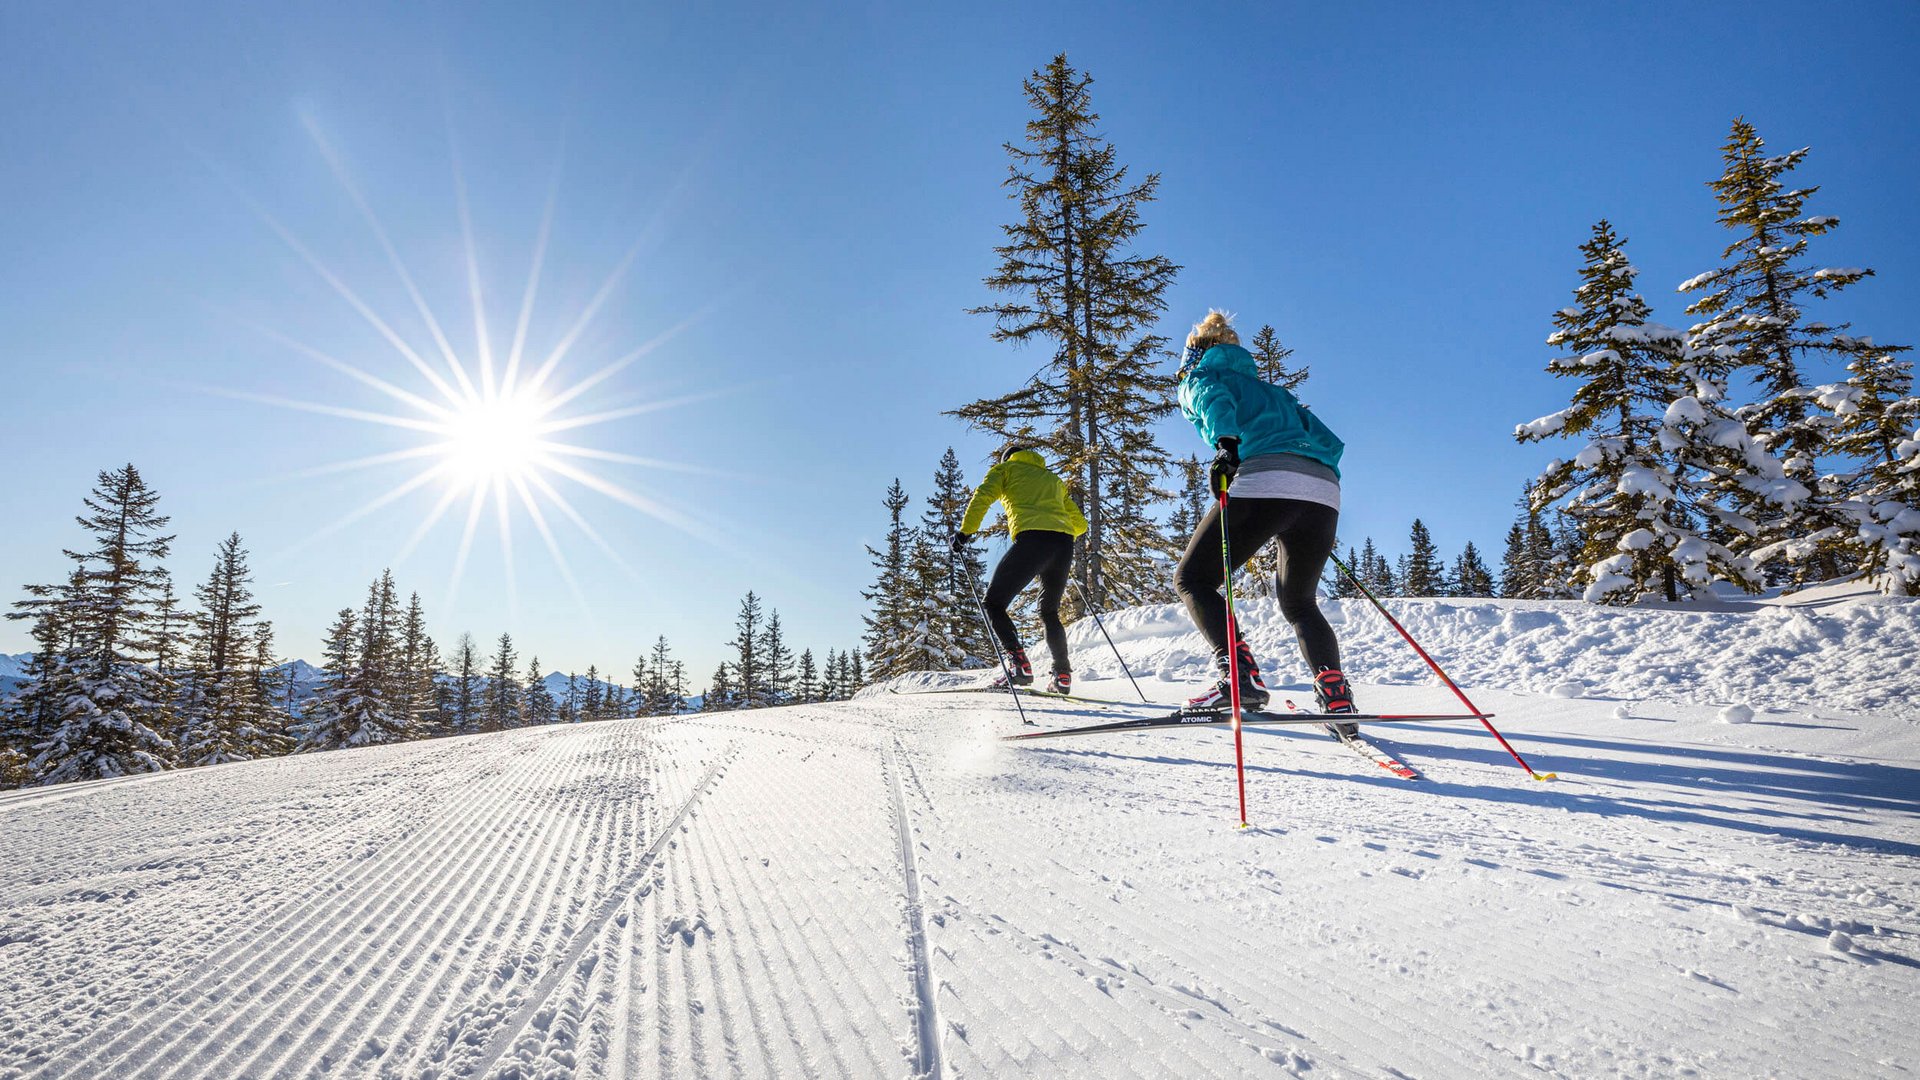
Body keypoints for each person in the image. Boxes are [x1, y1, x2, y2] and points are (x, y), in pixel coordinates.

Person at [1173, 310, 1359, 734]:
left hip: (1265, 478)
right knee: (1299, 602)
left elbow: (1214, 405)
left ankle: (1239, 678)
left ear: (1194, 355)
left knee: (1192, 580)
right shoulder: (1276, 393)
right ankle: (1335, 694)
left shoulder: (1199, 378)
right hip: (1322, 491)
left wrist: (1226, 448)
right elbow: (1329, 439)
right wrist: (1308, 485)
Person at [950, 445, 1089, 694]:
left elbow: (982, 497)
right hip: (1063, 544)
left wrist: (964, 533)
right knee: (1049, 611)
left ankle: (1019, 667)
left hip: (1033, 540)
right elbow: (1080, 524)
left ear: (1007, 458)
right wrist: (1057, 529)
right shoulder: (1052, 479)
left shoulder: (1004, 470)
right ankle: (1062, 675)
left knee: (993, 603)